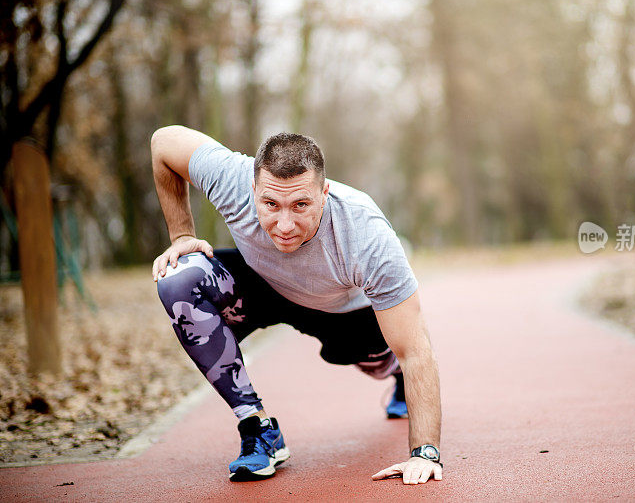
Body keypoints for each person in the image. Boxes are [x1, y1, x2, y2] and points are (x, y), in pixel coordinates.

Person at [150, 125, 443, 485]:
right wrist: (182, 235)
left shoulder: (366, 235)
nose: (284, 225)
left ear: (324, 193)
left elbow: (416, 350)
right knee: (178, 276)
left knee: (383, 362)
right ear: (253, 189)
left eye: (301, 205)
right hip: (263, 287)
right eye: (270, 204)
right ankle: (257, 427)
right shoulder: (230, 179)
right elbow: (164, 142)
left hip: (341, 311)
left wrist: (424, 452)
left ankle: (391, 376)